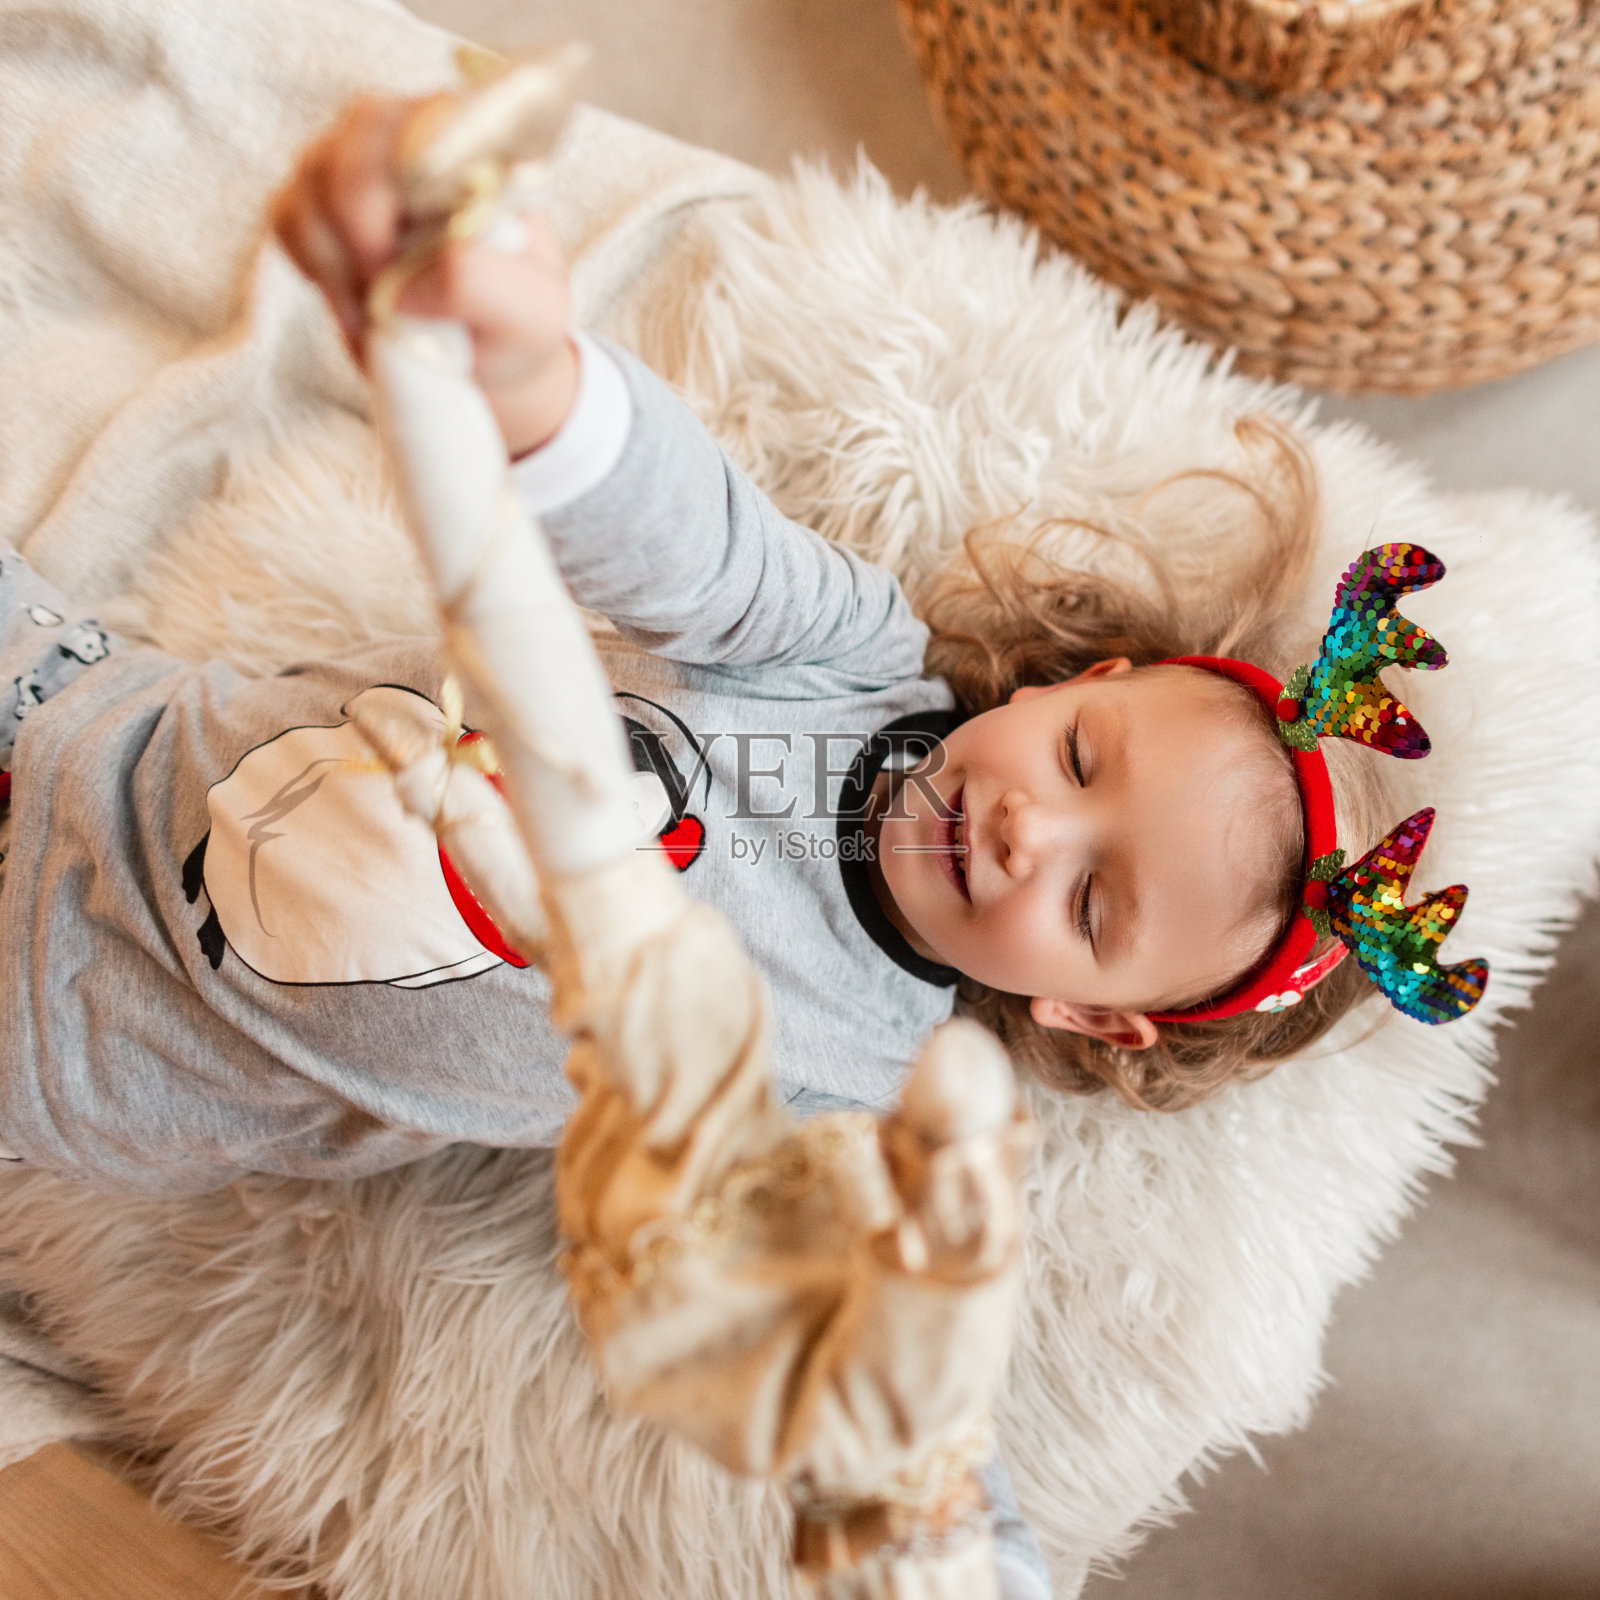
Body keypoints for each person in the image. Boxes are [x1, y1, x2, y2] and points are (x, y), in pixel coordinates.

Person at [0, 92, 1404, 1195]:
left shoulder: (858, 1078)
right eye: (1083, 759)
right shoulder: (850, 657)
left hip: (99, 1044)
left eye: (1093, 905)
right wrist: (537, 381)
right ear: (1084, 682)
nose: (1034, 830)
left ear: (1090, 1016)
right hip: (103, 716)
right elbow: (692, 538)